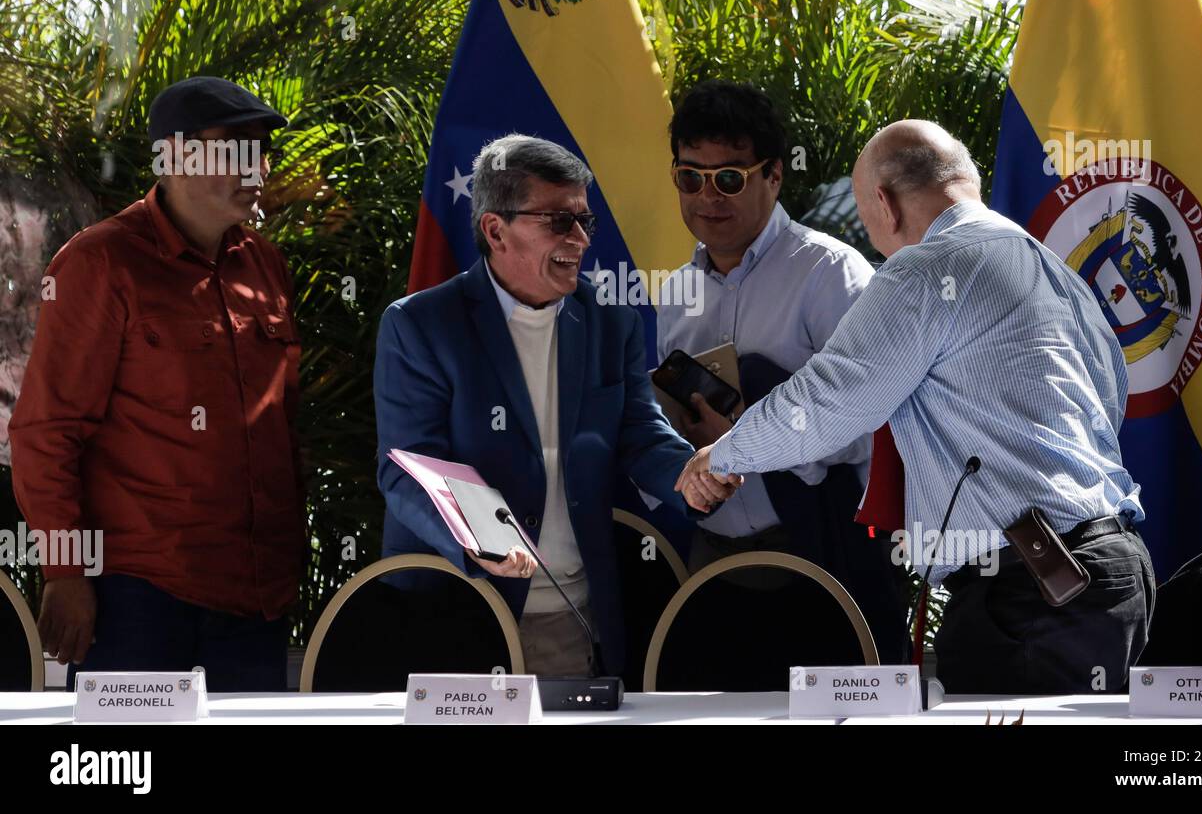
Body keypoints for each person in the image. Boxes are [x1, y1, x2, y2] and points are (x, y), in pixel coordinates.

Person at [678, 119, 1155, 695]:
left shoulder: (929, 266)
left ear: (883, 202)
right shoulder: (1055, 270)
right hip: (1106, 566)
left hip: (1032, 587)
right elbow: (1112, 401)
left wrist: (725, 454)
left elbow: (830, 400)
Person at [374, 134, 737, 678]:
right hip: (456, 607)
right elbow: (407, 468)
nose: (581, 240)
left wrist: (688, 474)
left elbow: (641, 434)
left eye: (585, 221)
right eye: (558, 222)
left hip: (571, 615)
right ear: (495, 229)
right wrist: (476, 536)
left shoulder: (609, 321)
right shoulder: (420, 325)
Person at [10, 76, 304, 691]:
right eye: (235, 148)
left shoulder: (265, 263)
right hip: (138, 599)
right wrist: (66, 571)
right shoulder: (101, 262)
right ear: (174, 159)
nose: (257, 167)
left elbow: (280, 426)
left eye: (262, 149)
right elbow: (47, 432)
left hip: (259, 595)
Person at [655, 80, 908, 663]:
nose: (707, 197)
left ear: (773, 175)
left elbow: (873, 422)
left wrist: (747, 440)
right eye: (690, 177)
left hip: (822, 558)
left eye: (728, 179)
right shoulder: (675, 293)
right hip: (713, 561)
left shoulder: (829, 274)